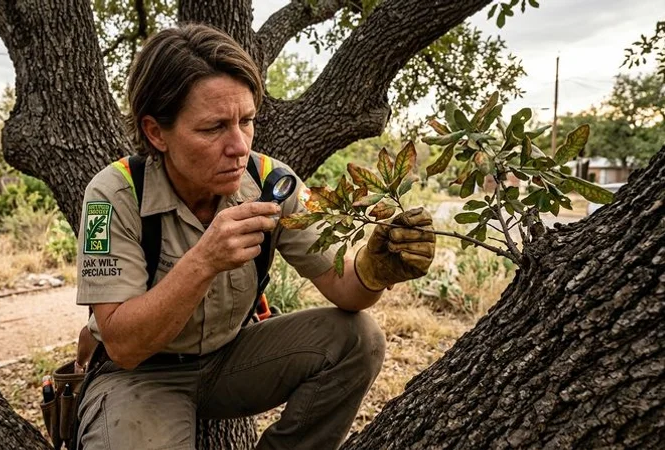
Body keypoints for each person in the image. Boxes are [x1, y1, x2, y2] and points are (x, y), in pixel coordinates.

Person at [75, 23, 436, 450]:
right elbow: (123, 346)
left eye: (246, 121)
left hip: (232, 360)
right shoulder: (111, 196)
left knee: (358, 339)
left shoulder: (271, 181)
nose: (239, 146)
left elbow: (345, 289)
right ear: (156, 132)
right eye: (213, 128)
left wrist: (374, 270)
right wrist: (203, 261)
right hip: (140, 374)